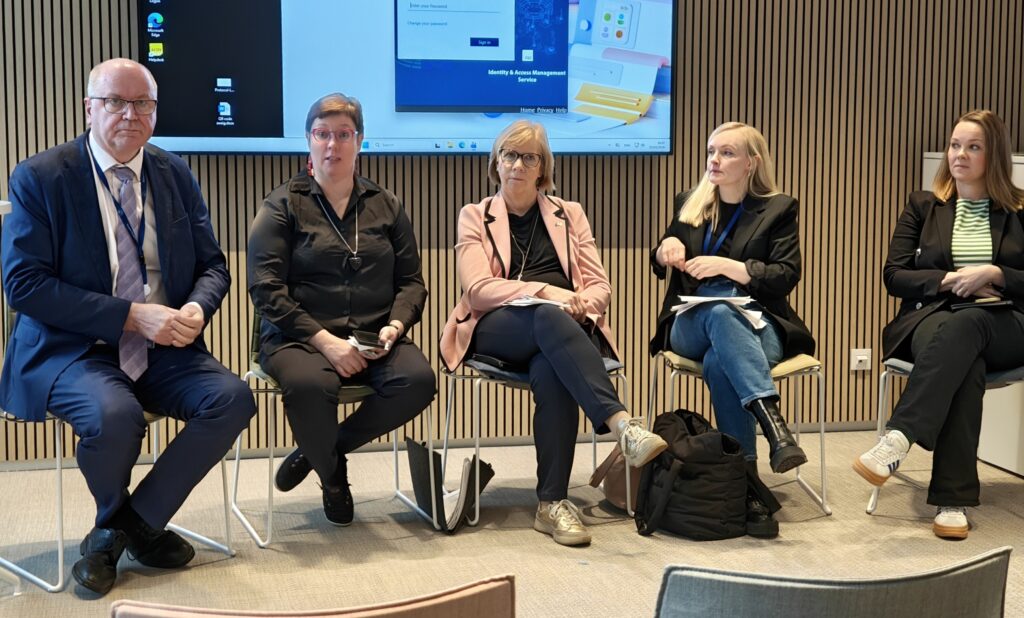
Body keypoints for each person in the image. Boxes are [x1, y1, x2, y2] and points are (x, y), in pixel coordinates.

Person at [0, 58, 256, 595]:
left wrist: (197, 309)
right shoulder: (41, 177)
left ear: (155, 112)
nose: (130, 114)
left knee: (232, 398)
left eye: (142, 103)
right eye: (115, 102)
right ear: (89, 109)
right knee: (116, 416)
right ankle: (132, 529)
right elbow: (24, 285)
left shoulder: (174, 173)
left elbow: (213, 266)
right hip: (73, 349)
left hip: (163, 349)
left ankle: (123, 531)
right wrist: (131, 316)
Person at [440, 120, 667, 547]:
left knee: (552, 367)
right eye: (510, 155)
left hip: (561, 334)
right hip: (498, 328)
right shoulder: (475, 215)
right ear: (496, 163)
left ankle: (551, 504)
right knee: (546, 316)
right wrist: (552, 295)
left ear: (543, 167)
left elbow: (599, 286)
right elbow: (478, 289)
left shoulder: (569, 213)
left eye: (529, 157)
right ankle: (622, 425)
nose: (518, 165)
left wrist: (582, 304)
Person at [247, 93, 435, 527]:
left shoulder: (386, 204)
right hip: (299, 338)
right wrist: (326, 343)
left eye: (343, 135)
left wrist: (395, 326)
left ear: (360, 141)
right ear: (308, 141)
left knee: (418, 381)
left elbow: (411, 282)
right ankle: (333, 478)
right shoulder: (282, 204)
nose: (332, 144)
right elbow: (265, 289)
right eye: (322, 134)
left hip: (373, 336)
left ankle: (323, 448)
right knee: (309, 385)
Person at [854, 109, 1024, 539]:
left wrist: (996, 274)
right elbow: (894, 275)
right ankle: (952, 500)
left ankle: (899, 438)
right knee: (965, 360)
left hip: (1005, 322)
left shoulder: (1020, 209)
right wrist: (950, 280)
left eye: (973, 147)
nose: (959, 154)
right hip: (933, 316)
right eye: (954, 145)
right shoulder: (923, 206)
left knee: (971, 326)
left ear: (994, 154)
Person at [650, 122, 815, 538]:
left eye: (726, 153)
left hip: (758, 324)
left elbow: (785, 275)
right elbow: (660, 257)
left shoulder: (778, 209)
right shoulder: (690, 203)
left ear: (751, 163)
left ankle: (747, 487)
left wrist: (731, 267)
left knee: (720, 363)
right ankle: (774, 426)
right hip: (691, 322)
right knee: (720, 314)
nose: (714, 160)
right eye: (711, 151)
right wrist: (664, 249)